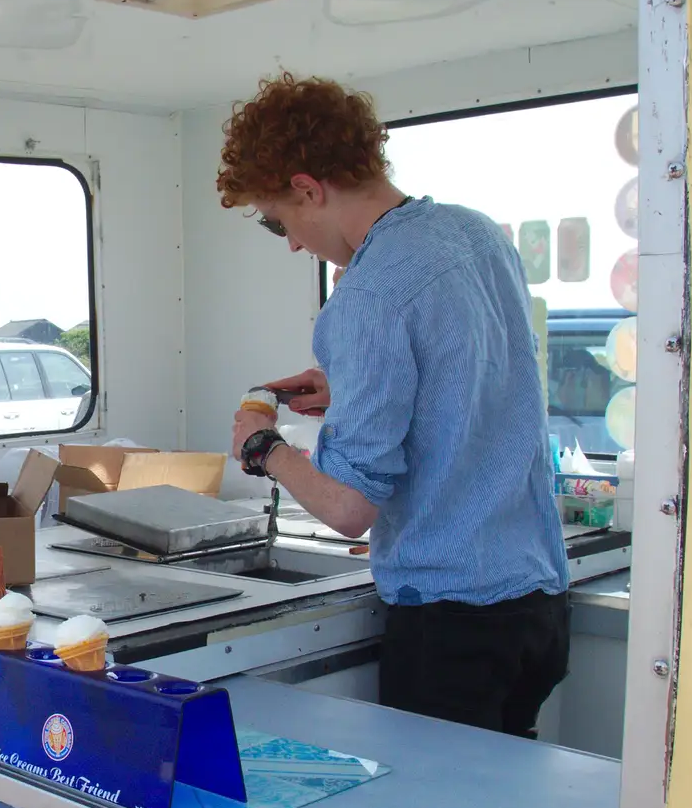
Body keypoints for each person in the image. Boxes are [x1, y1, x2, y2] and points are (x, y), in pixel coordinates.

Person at [218, 74, 570, 738]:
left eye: (279, 221)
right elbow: (473, 386)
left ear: (307, 188)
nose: (292, 241)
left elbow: (348, 509)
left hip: (453, 624)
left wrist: (264, 445)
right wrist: (349, 388)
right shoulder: (476, 235)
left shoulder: (365, 297)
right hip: (539, 604)